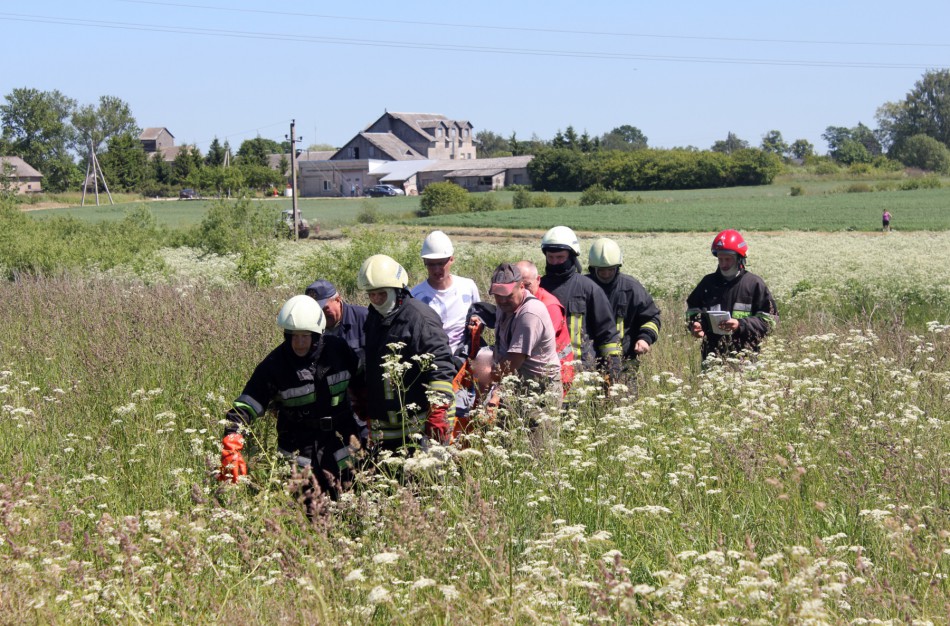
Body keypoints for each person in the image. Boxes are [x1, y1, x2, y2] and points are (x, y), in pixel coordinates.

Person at [217, 295, 364, 502]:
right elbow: (245, 405)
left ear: (317, 334)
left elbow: (362, 383)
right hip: (299, 451)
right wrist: (232, 440)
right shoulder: (274, 365)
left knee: (353, 507)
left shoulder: (338, 351)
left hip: (341, 443)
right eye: (293, 336)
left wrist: (370, 418)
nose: (299, 343)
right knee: (309, 516)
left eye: (305, 336)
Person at [359, 254, 456, 450]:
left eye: (382, 294)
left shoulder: (420, 318)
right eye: (372, 294)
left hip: (420, 425)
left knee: (424, 480)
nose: (377, 300)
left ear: (396, 290)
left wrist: (438, 414)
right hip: (386, 428)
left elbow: (442, 365)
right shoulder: (374, 318)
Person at [538, 226, 622, 379]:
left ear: (572, 256)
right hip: (543, 372)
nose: (555, 262)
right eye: (551, 257)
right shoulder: (538, 288)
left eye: (560, 257)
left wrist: (613, 371)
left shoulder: (589, 288)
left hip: (581, 375)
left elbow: (607, 335)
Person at [686, 229, 778, 362]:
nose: (723, 264)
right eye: (720, 259)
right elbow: (692, 311)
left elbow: (770, 321)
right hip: (712, 357)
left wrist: (740, 325)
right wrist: (695, 325)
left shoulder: (754, 284)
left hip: (746, 359)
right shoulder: (707, 283)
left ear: (740, 258)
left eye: (728, 259)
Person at [586, 237, 661, 391]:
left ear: (618, 266)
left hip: (625, 362)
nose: (606, 274)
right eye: (601, 270)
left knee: (624, 405)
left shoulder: (631, 288)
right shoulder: (583, 287)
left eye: (610, 269)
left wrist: (645, 338)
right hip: (589, 364)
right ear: (593, 268)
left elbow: (651, 317)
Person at [410, 230, 481, 355]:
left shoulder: (468, 287)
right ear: (424, 263)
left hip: (465, 354)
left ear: (451, 260)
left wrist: (476, 325)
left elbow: (479, 317)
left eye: (441, 263)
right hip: (432, 357)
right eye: (431, 265)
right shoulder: (416, 295)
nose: (436, 270)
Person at [516, 260, 574, 389]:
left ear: (538, 280)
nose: (523, 290)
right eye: (518, 286)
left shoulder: (549, 306)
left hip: (555, 375)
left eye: (527, 285)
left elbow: (532, 345)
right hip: (537, 372)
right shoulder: (518, 303)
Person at [305, 279, 368, 366]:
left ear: (338, 300)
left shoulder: (365, 318)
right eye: (316, 310)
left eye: (325, 308)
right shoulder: (308, 327)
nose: (321, 314)